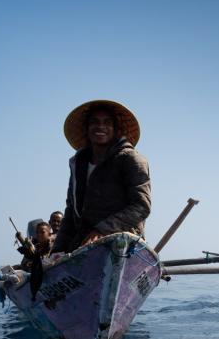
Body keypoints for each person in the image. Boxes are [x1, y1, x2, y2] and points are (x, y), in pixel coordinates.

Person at [52, 100, 151, 253]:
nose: (100, 127)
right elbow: (71, 213)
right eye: (94, 122)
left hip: (123, 243)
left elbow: (141, 206)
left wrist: (102, 230)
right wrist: (57, 251)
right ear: (87, 129)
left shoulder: (132, 159)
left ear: (116, 129)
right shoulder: (78, 165)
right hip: (83, 246)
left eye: (107, 122)